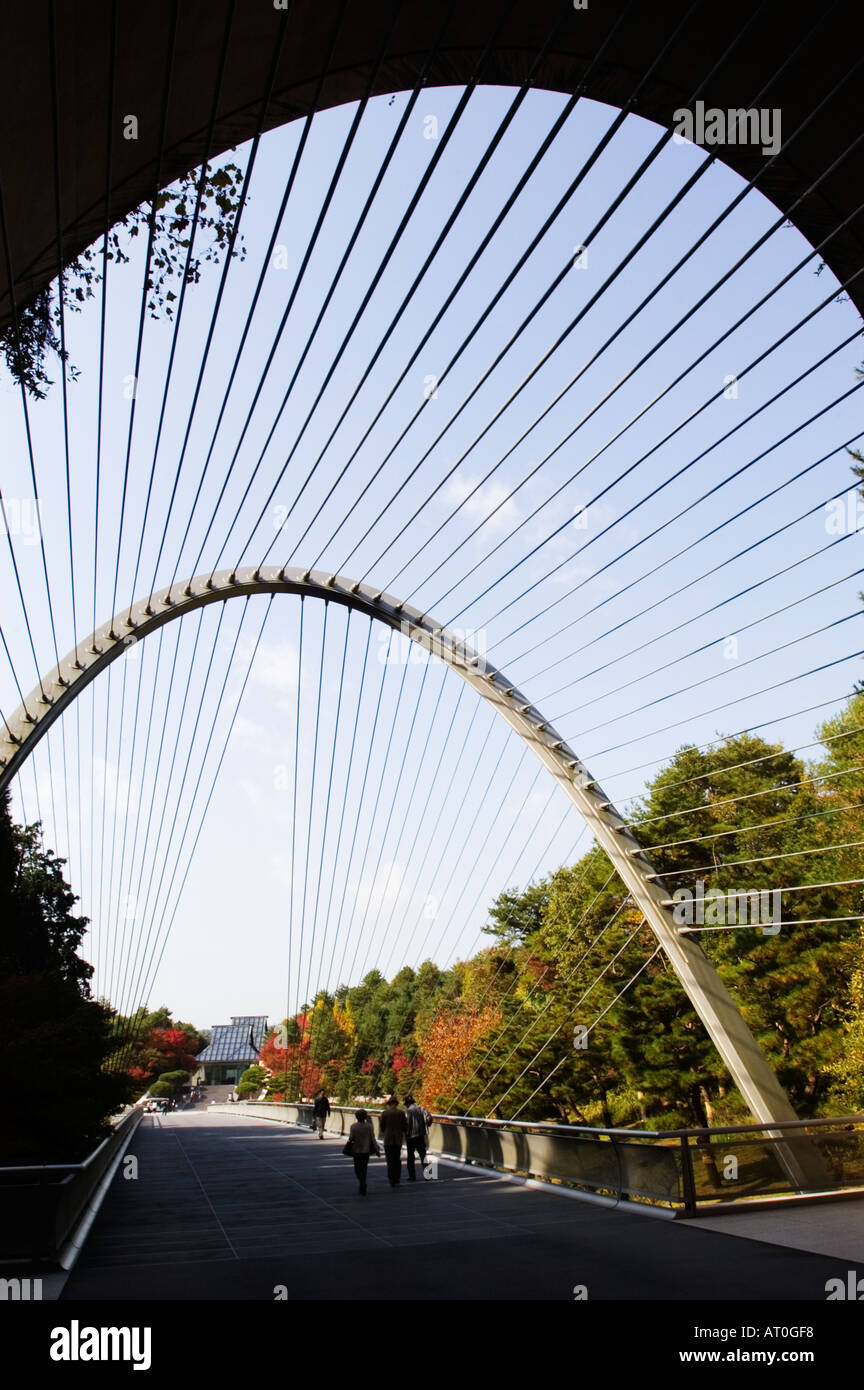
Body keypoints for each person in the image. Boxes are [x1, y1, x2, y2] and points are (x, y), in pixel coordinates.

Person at [348, 1109, 380, 1195]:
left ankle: (361, 1181)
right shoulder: (369, 1126)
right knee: (364, 1168)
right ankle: (363, 1181)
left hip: (356, 1150)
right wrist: (376, 1149)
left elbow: (351, 1138)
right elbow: (373, 1139)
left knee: (357, 1168)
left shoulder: (353, 1126)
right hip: (366, 1150)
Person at [378, 1095, 408, 1187]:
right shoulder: (401, 1113)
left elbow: (382, 1126)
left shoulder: (385, 1113)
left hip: (388, 1139)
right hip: (398, 1139)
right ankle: (397, 1178)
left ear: (389, 1104)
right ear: (396, 1103)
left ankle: (391, 1179)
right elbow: (405, 1126)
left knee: (390, 1160)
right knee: (397, 1159)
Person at [404, 1093, 432, 1181]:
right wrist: (426, 1125)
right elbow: (429, 1118)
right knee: (423, 1155)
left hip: (410, 1137)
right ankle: (428, 1175)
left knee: (410, 1157)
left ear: (407, 1103)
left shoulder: (408, 1111)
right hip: (420, 1135)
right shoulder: (421, 1109)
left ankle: (412, 1176)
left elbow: (405, 1124)